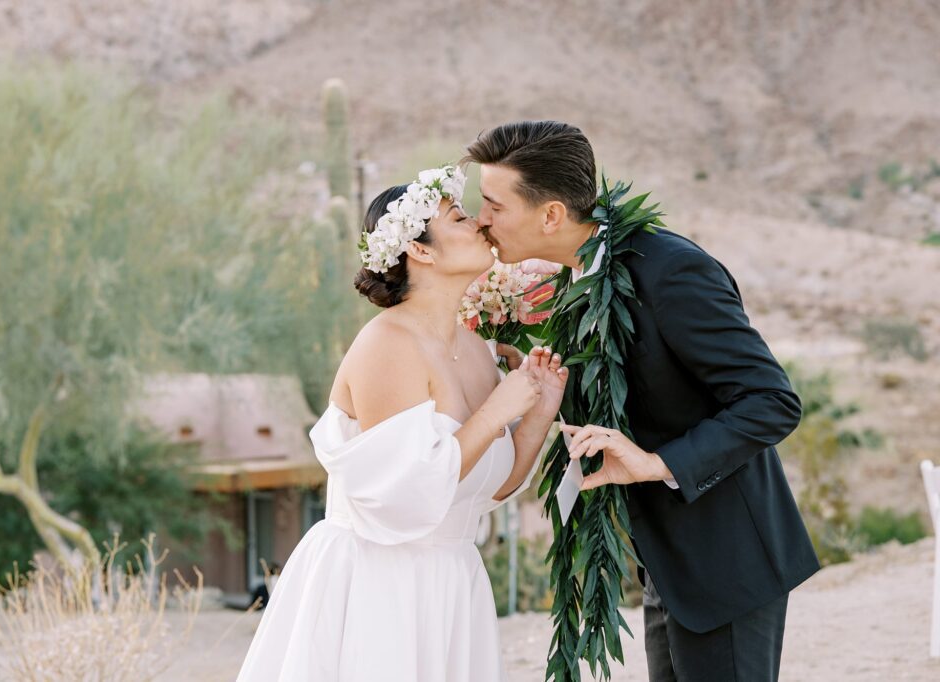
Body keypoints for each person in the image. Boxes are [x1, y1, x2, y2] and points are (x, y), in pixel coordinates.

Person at [466, 121, 820, 682]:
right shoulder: (574, 272)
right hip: (663, 560)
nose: (481, 220)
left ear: (551, 215)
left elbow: (771, 401)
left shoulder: (671, 271)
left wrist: (657, 464)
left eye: (492, 205)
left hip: (724, 559)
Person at [235, 165, 568, 681]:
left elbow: (491, 487)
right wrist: (499, 409)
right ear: (421, 250)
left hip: (454, 584)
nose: (480, 224)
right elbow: (406, 494)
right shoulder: (386, 343)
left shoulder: (478, 350)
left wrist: (539, 410)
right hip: (380, 587)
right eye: (459, 216)